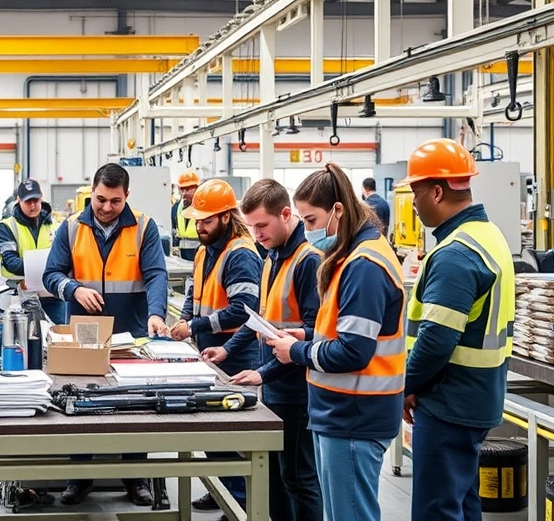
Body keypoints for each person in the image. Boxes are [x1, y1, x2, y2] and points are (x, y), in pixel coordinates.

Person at [265, 163, 405, 521]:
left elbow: (354, 351)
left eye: (311, 221)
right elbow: (346, 332)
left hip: (355, 415)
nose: (308, 230)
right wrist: (307, 335)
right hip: (341, 412)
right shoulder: (349, 258)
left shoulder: (364, 265)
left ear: (338, 211)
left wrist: (295, 351)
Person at [400, 139, 515, 521]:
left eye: (416, 193)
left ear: (436, 191)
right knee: (463, 503)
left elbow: (436, 340)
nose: (413, 205)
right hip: (477, 395)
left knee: (436, 509)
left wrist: (406, 386)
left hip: (449, 400)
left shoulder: (455, 254)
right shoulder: (490, 236)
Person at [44, 163, 169, 506]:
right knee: (81, 399)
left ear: (126, 196)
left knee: (135, 406)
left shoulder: (144, 227)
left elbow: (157, 275)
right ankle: (80, 475)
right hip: (85, 331)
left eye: (115, 201)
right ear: (91, 191)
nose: (106, 207)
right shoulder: (71, 228)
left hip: (133, 329)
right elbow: (51, 274)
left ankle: (135, 477)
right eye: (100, 199)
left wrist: (157, 313)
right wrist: (73, 289)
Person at [204, 178, 323, 521]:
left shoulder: (307, 262)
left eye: (262, 225)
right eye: (252, 225)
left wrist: (262, 372)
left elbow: (314, 335)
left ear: (286, 214)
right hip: (275, 388)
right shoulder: (271, 258)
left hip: (299, 392)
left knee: (300, 478)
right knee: (275, 477)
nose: (255, 233)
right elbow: (262, 321)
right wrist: (227, 350)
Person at [169, 178, 262, 514]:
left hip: (235, 351)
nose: (200, 227)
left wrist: (193, 325)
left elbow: (243, 309)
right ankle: (222, 486)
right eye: (197, 220)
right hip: (208, 349)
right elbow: (194, 297)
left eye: (206, 221)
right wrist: (183, 324)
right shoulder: (205, 250)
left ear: (226, 217)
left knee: (231, 432)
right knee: (212, 428)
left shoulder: (241, 254)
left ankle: (238, 500)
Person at [0, 179, 67, 324]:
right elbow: (10, 262)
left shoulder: (56, 226)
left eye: (36, 200)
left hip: (52, 295)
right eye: (28, 201)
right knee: (21, 342)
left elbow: (65, 257)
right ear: (18, 200)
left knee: (59, 337)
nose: (33, 205)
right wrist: (49, 267)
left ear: (42, 198)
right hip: (19, 295)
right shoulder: (7, 227)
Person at [171, 169, 201, 260]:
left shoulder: (204, 207)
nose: (184, 193)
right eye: (182, 189)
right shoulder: (176, 208)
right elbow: (174, 230)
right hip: (182, 255)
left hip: (201, 252)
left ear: (197, 188)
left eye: (188, 189)